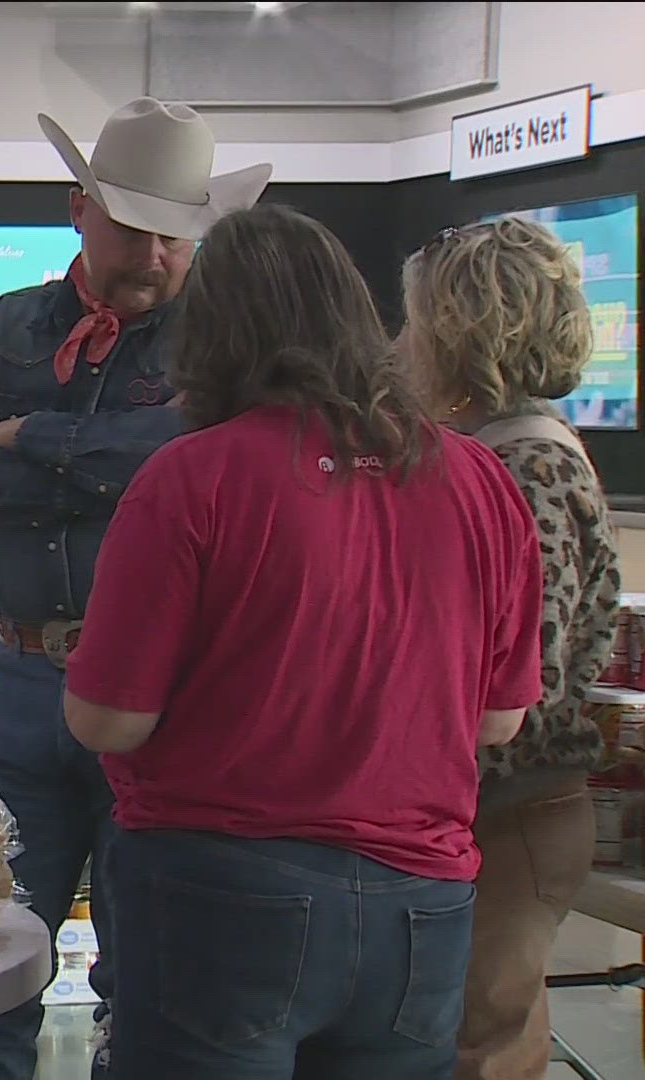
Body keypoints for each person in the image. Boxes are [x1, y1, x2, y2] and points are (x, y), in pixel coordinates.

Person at [62, 204, 543, 1078]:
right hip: (420, 901)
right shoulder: (480, 480)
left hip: (220, 887)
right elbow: (499, 721)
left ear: (207, 333)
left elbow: (109, 721)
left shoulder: (192, 476)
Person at [0, 97, 270, 1077]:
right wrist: (129, 464)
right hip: (28, 679)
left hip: (170, 693)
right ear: (80, 209)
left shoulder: (223, 350)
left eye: (177, 237)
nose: (157, 256)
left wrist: (35, 437)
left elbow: (200, 459)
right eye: (138, 230)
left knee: (150, 961)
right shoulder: (1, 332)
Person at [398, 219, 619, 1080]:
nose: (399, 338)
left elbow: (531, 669)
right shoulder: (489, 449)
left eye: (415, 317)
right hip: (482, 808)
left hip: (510, 809)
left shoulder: (530, 465)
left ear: (461, 326)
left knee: (480, 1049)